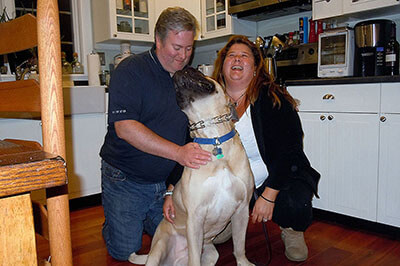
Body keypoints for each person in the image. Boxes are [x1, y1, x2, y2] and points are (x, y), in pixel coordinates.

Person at [163, 35, 320, 262]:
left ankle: (292, 230)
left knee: (293, 200)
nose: (237, 59)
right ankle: (230, 220)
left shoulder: (273, 99)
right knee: (214, 237)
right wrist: (170, 190)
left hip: (272, 177)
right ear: (222, 64)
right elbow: (189, 149)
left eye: (244, 56)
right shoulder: (205, 97)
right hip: (229, 184)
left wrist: (270, 194)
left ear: (256, 68)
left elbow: (291, 151)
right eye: (231, 55)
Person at [99, 7, 211, 264]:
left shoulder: (185, 78)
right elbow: (124, 127)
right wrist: (179, 153)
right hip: (126, 178)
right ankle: (113, 221)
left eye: (189, 48)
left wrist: (171, 190)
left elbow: (189, 132)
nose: (183, 56)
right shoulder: (130, 70)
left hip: (164, 183)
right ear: (158, 40)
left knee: (183, 238)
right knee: (125, 249)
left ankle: (139, 216)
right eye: (176, 47)